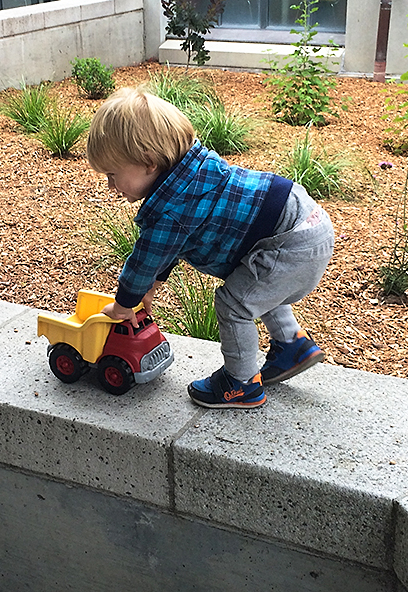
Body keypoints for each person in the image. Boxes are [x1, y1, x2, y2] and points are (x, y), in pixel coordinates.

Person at [86, 86, 334, 408]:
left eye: (113, 175)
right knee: (257, 284)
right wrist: (153, 288)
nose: (111, 186)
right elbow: (173, 245)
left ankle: (241, 383)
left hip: (289, 242)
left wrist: (124, 303)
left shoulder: (171, 210)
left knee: (235, 304)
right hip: (305, 223)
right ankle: (292, 346)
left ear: (147, 162)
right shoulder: (193, 174)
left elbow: (145, 260)